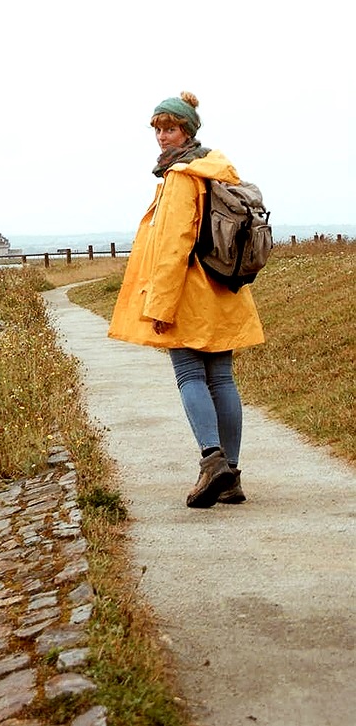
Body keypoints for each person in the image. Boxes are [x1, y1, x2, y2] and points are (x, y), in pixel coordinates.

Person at [108, 91, 265, 508]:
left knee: (190, 375)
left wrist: (159, 305)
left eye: (170, 129)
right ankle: (230, 474)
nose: (162, 137)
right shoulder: (217, 170)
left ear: (187, 131)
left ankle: (213, 461)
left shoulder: (181, 177)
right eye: (157, 129)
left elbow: (174, 247)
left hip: (189, 293)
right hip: (223, 292)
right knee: (222, 379)